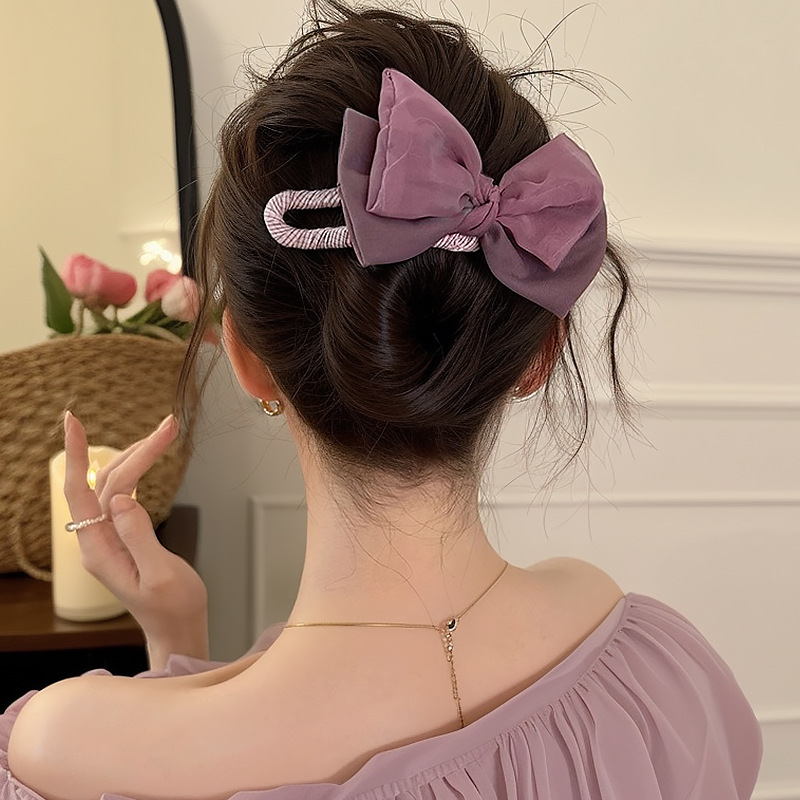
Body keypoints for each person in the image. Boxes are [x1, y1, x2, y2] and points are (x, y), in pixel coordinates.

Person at [3, 2, 762, 798]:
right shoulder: (644, 663)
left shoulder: (68, 744)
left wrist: (173, 636)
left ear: (248, 362)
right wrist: (179, 636)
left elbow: (170, 759)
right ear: (539, 354)